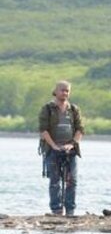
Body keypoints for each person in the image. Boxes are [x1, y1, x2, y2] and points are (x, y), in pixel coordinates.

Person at [38, 80, 84, 217]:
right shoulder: (47, 109)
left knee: (72, 180)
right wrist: (54, 146)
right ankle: (56, 210)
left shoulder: (74, 109)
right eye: (62, 90)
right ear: (56, 91)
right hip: (52, 149)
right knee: (54, 181)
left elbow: (80, 129)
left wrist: (72, 144)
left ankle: (70, 210)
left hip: (71, 149)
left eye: (67, 91)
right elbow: (43, 130)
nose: (65, 93)